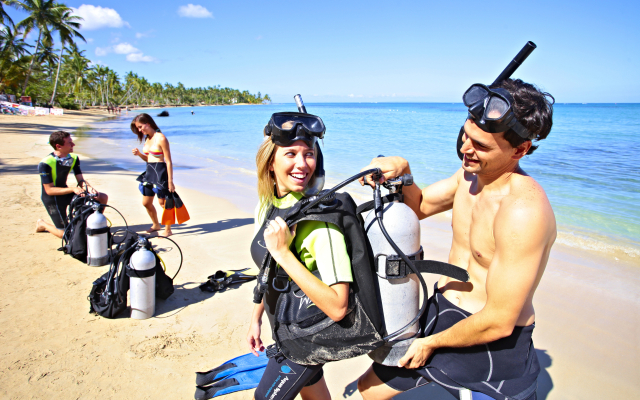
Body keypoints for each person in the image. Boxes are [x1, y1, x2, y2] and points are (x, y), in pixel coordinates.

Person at [356, 79, 556, 400]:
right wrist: (403, 172)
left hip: (492, 341)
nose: (465, 149)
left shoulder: (523, 210)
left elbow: (501, 320)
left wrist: (430, 344)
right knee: (370, 389)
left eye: (481, 146)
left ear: (520, 149)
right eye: (466, 136)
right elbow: (420, 206)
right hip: (442, 313)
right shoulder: (469, 175)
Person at [246, 113, 351, 400]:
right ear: (271, 163)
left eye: (309, 154)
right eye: (291, 153)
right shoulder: (269, 205)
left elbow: (339, 306)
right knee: (313, 391)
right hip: (281, 326)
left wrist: (283, 253)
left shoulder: (320, 223)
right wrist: (256, 316)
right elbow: (266, 270)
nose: (302, 164)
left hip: (305, 337)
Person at [36, 131, 108, 238]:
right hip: (52, 199)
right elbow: (49, 190)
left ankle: (92, 223)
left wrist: (89, 188)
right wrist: (72, 189)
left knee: (102, 197)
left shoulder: (73, 158)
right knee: (64, 234)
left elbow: (80, 180)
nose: (73, 144)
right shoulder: (45, 163)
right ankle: (42, 224)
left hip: (66, 193)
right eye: (70, 143)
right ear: (58, 146)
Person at [131, 113, 175, 236]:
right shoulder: (148, 138)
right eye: (138, 128)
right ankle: (156, 224)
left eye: (140, 127)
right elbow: (149, 158)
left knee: (163, 203)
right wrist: (139, 154)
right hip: (149, 172)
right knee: (146, 203)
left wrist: (170, 181)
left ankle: (168, 229)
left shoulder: (161, 138)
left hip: (160, 173)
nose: (139, 130)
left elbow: (169, 161)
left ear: (148, 124)